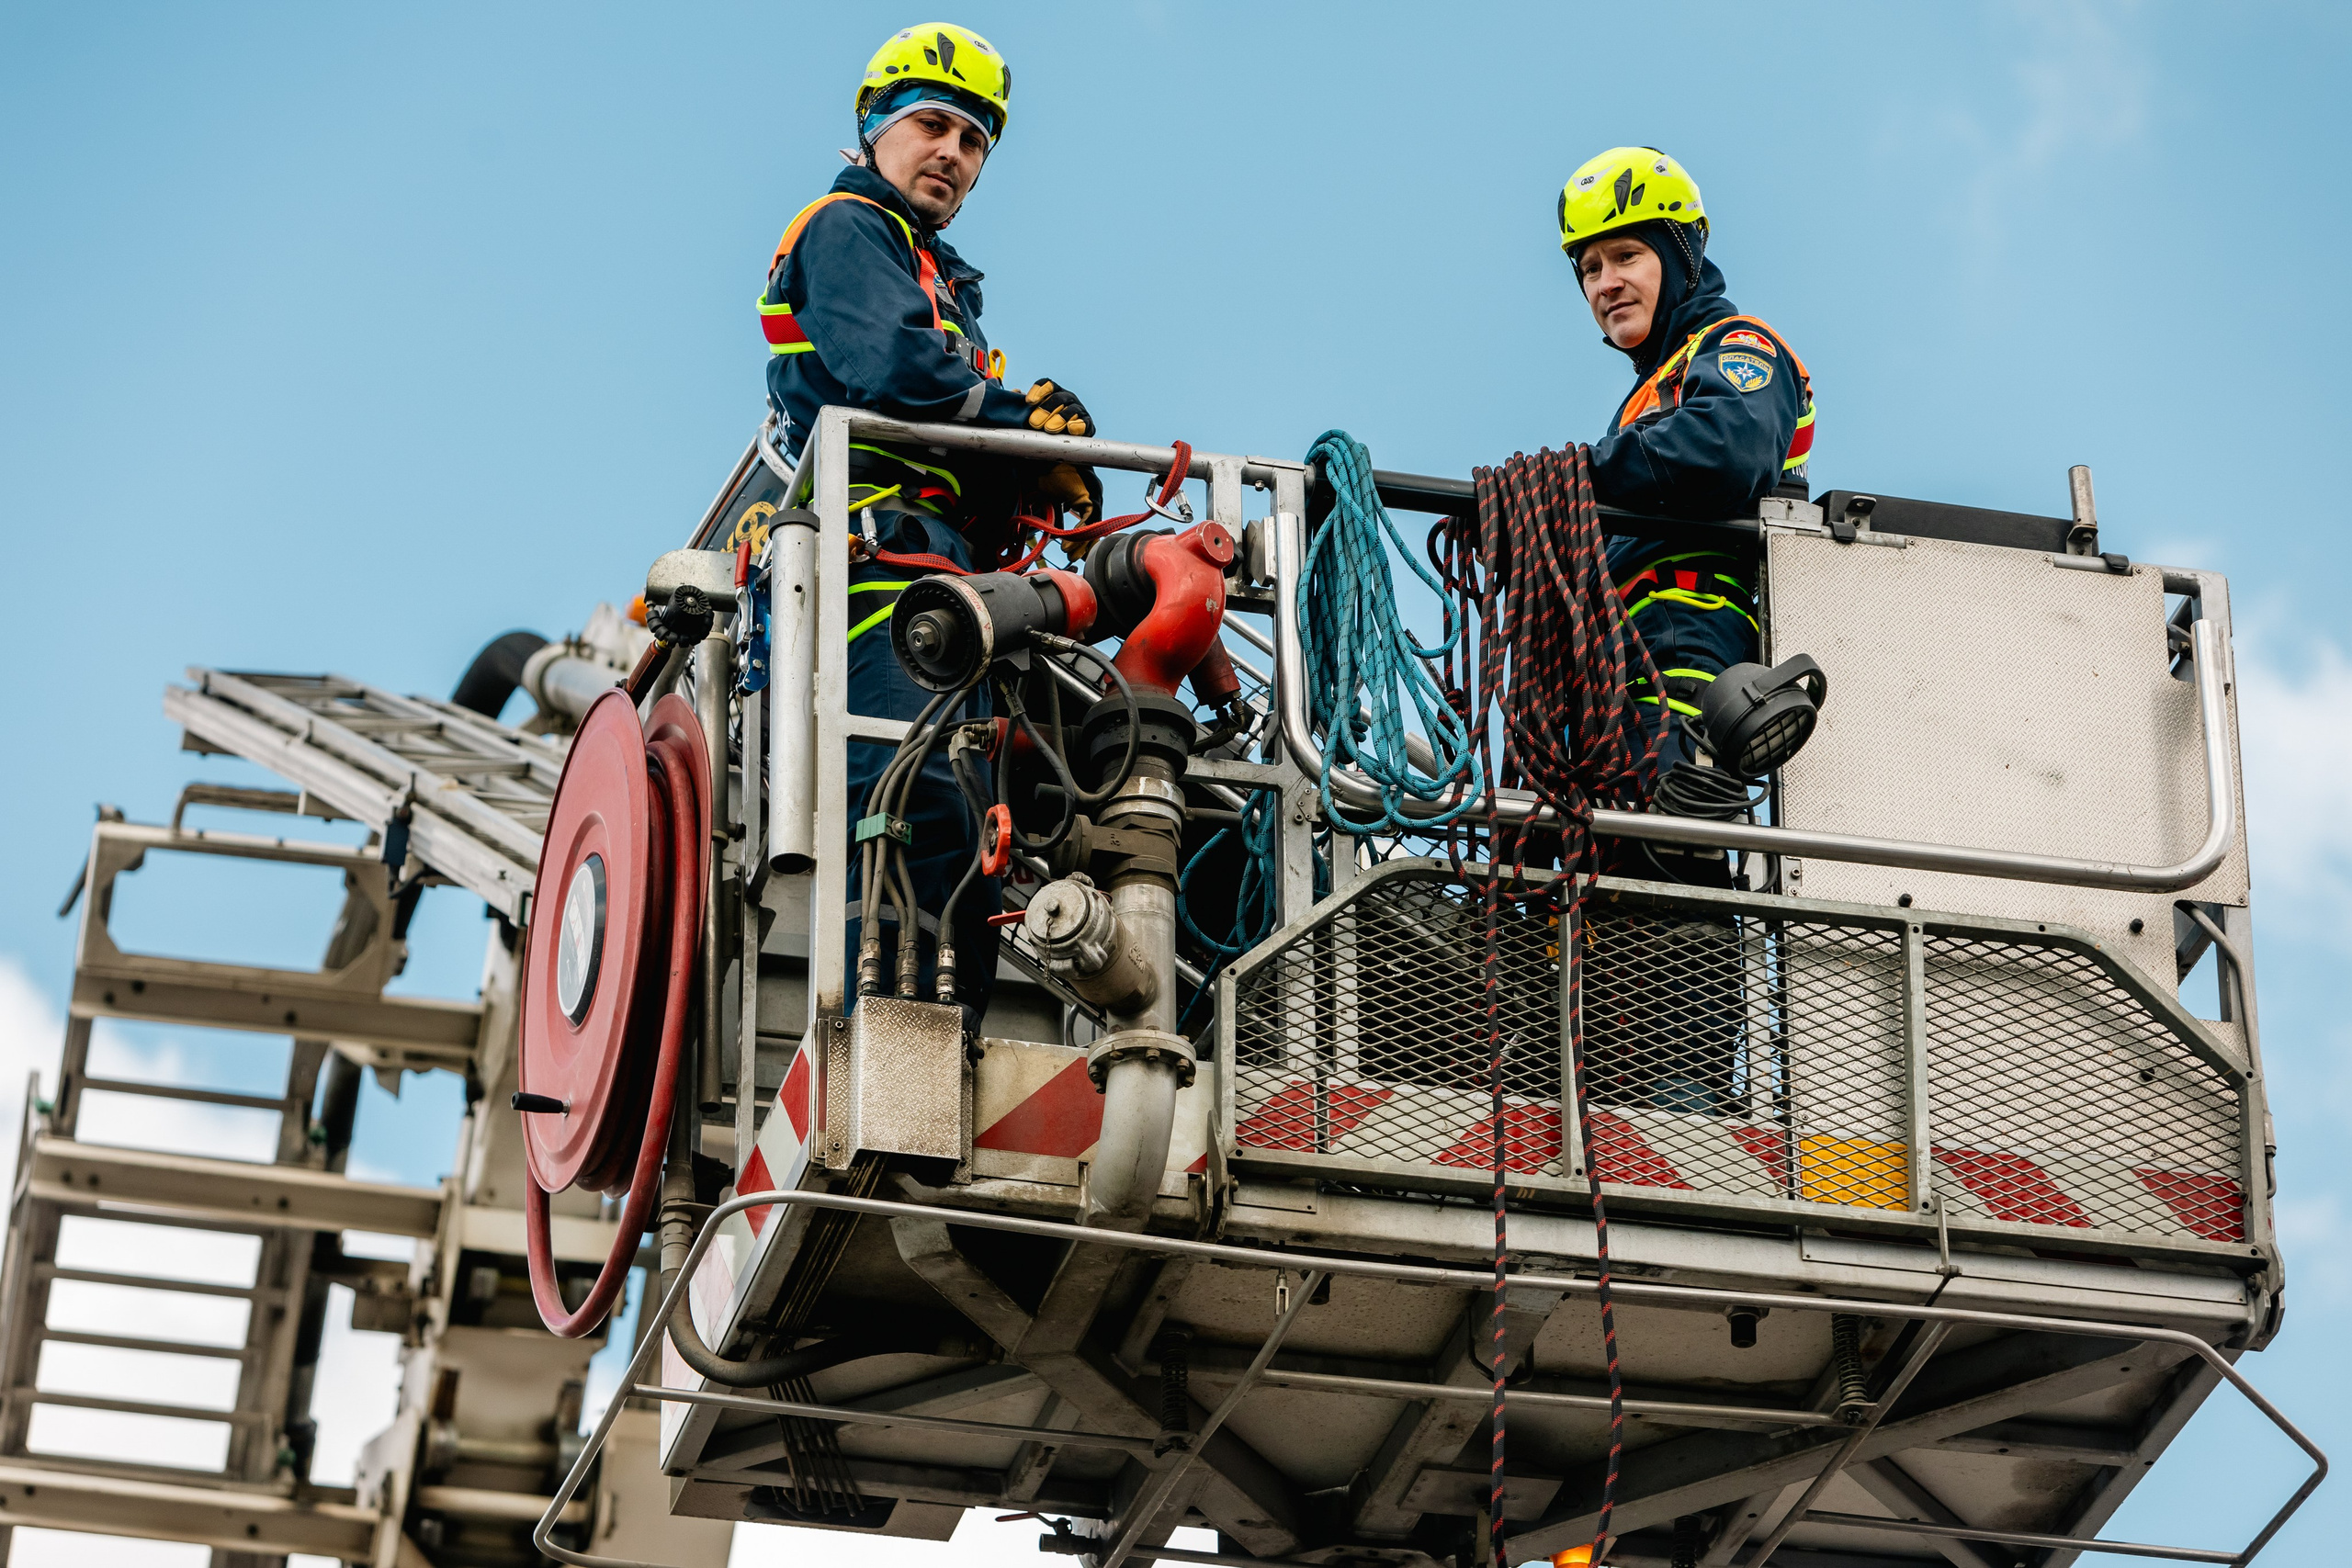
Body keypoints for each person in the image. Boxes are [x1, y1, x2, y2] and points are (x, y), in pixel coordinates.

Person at [759, 22, 1098, 1026]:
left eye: (976, 140)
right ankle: (893, 1040)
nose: (953, 152)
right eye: (933, 125)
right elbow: (894, 373)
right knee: (914, 799)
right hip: (874, 567)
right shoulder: (847, 230)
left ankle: (955, 1036)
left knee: (1003, 797)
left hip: (946, 574)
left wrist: (1037, 474)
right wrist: (1017, 422)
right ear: (874, 130)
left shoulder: (936, 274)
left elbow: (944, 407)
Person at [1557, 146, 1815, 777]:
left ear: (1681, 258)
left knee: (1665, 834)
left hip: (1687, 649)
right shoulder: (1647, 395)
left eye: (1626, 256)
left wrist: (1573, 479)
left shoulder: (1741, 345)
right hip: (1620, 664)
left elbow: (1727, 448)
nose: (1605, 283)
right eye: (1589, 268)